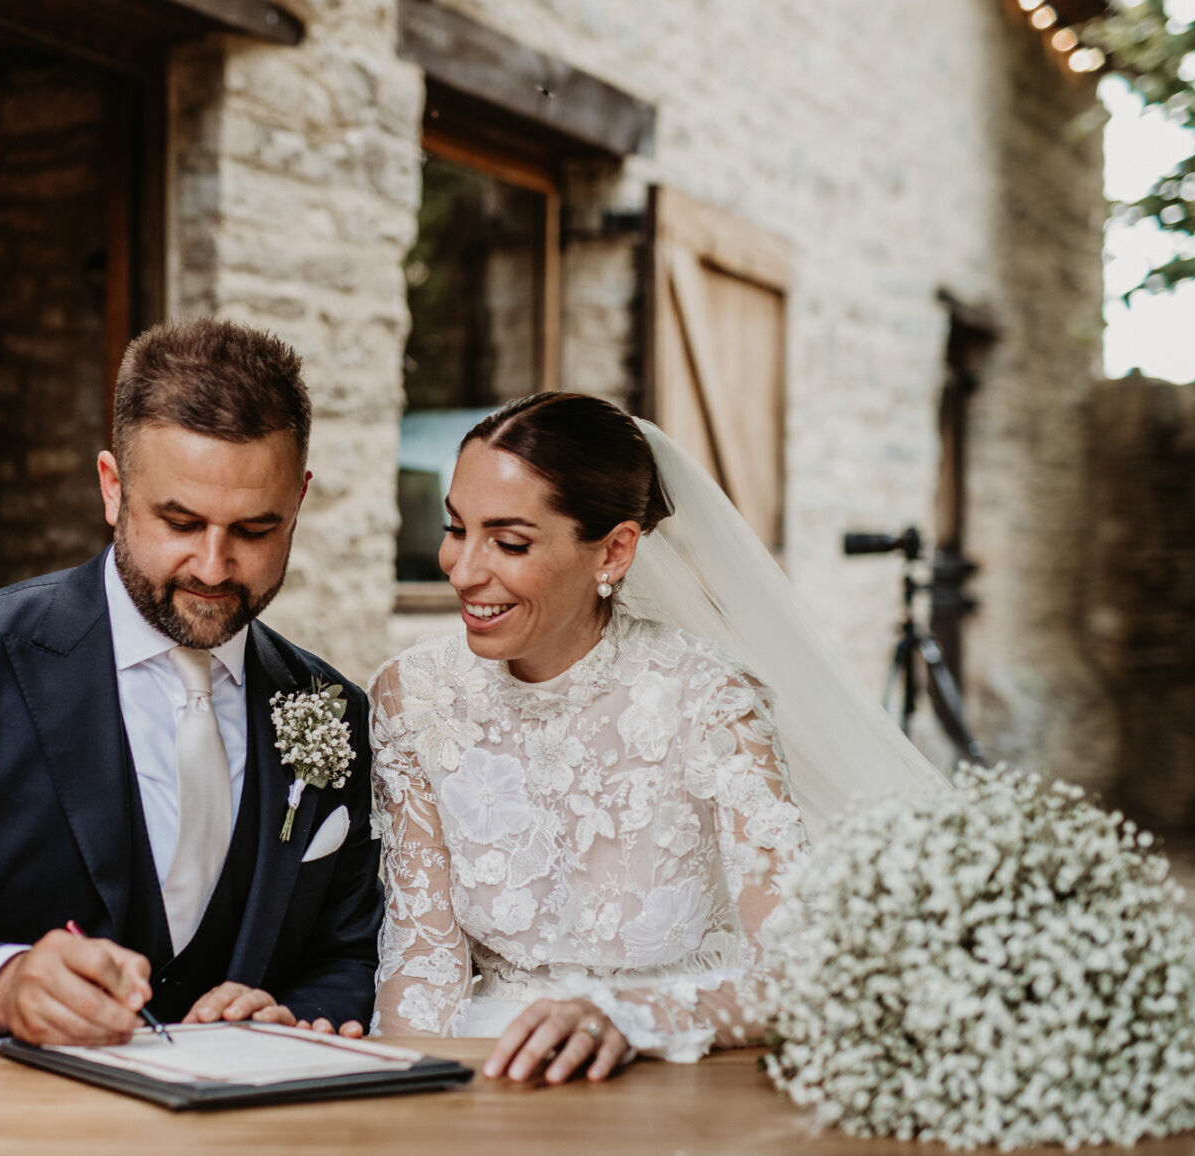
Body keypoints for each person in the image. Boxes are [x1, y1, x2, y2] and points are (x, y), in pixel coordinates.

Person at [0, 319, 381, 1052]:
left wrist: (291, 1013)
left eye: (255, 530)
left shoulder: (333, 711)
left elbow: (349, 956)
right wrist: (2, 988)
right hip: (7, 1143)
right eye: (180, 521)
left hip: (238, 1153)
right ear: (112, 487)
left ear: (298, 499)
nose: (213, 565)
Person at [369, 392, 944, 1083]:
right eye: (455, 528)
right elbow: (421, 961)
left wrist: (635, 1017)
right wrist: (405, 1093)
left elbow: (799, 967)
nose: (462, 569)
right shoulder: (415, 695)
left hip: (682, 1064)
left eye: (510, 542)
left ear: (613, 551)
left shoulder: (708, 701)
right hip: (493, 1063)